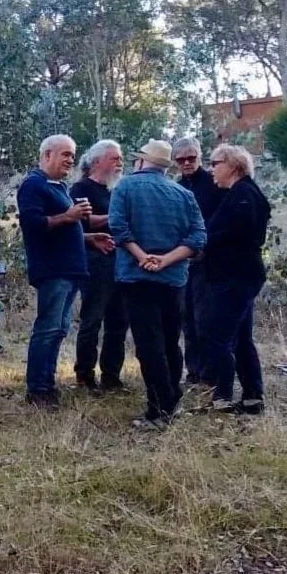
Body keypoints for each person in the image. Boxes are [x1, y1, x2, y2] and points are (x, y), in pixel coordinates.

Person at [109, 139, 207, 428]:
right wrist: (166, 260)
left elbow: (118, 228)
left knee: (149, 345)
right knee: (170, 341)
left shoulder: (125, 187)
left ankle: (159, 410)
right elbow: (198, 237)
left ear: (141, 161)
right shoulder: (183, 194)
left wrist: (142, 257)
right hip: (172, 279)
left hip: (136, 277)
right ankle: (172, 398)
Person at [17, 134, 90, 409]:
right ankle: (38, 389)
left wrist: (88, 237)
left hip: (69, 269)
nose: (71, 160)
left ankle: (47, 384)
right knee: (48, 328)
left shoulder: (58, 186)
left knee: (59, 329)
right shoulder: (33, 185)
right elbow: (32, 224)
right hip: (53, 269)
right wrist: (69, 216)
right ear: (47, 154)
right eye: (65, 154)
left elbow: (64, 228)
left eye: (73, 154)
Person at [199, 144, 272, 414]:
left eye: (215, 163)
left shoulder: (243, 194)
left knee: (218, 336)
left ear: (233, 166)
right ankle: (252, 396)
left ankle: (223, 396)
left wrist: (203, 244)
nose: (211, 169)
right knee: (241, 337)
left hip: (235, 275)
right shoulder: (241, 192)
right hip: (240, 274)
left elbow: (236, 233)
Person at [70, 139, 128, 394]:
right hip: (96, 263)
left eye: (120, 158)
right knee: (92, 319)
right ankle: (85, 375)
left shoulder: (116, 190)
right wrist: (115, 217)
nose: (120, 163)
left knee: (119, 321)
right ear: (96, 162)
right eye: (114, 158)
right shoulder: (81, 188)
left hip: (121, 261)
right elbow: (82, 221)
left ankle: (111, 376)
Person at [171, 137, 219, 385]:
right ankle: (194, 370)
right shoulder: (176, 187)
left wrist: (205, 246)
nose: (187, 163)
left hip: (209, 259)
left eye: (191, 158)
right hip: (183, 260)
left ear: (200, 156)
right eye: (181, 160)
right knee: (187, 317)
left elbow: (220, 220)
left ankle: (211, 372)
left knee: (205, 318)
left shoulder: (214, 183)